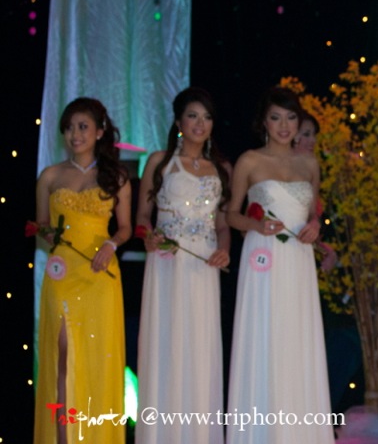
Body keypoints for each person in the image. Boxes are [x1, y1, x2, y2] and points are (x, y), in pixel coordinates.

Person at [225, 86, 334, 444]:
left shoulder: (309, 164)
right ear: (264, 122)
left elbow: (312, 214)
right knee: (265, 333)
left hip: (299, 262)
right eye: (276, 118)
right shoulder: (250, 161)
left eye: (290, 118)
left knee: (297, 336)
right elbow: (230, 215)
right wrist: (255, 225)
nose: (284, 126)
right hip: (264, 259)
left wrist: (316, 227)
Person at [135, 88, 231, 444]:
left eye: (206, 117)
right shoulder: (159, 162)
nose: (200, 124)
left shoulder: (220, 169)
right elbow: (143, 217)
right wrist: (148, 236)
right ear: (178, 122)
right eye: (193, 116)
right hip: (166, 264)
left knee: (200, 345)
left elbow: (222, 224)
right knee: (166, 341)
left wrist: (224, 250)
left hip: (203, 265)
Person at [33, 97, 132, 443]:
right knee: (62, 357)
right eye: (70, 127)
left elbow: (124, 228)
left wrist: (110, 245)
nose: (75, 134)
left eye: (83, 127)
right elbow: (43, 227)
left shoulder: (116, 178)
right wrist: (48, 234)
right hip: (62, 273)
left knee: (96, 359)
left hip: (99, 274)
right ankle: (62, 437)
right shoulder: (50, 176)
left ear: (100, 132)